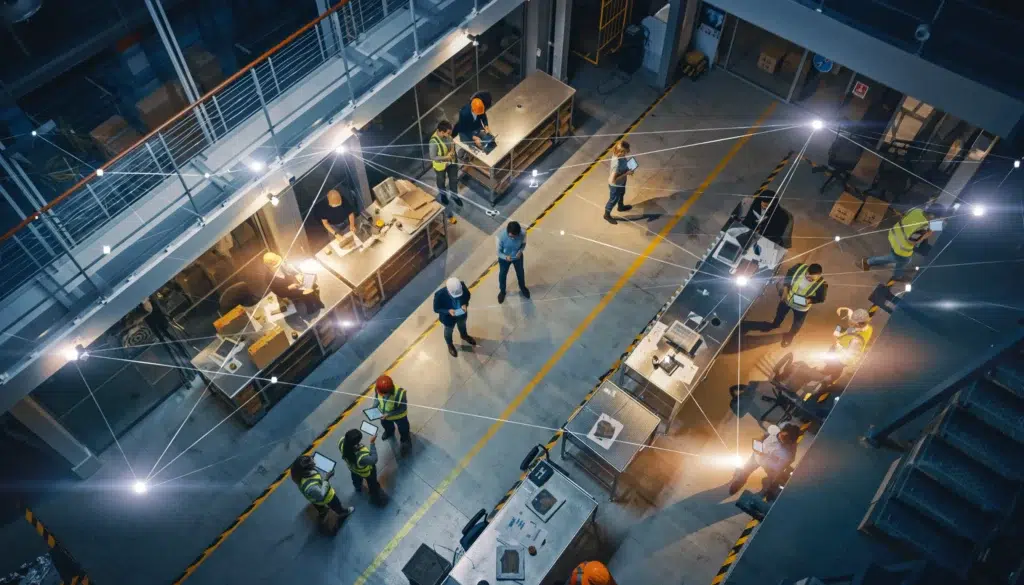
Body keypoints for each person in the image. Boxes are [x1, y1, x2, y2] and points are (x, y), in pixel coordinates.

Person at [743, 263, 827, 348]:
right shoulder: (799, 268)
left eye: (812, 279)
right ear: (807, 270)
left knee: (797, 324)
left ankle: (790, 336)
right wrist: (785, 290)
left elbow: (821, 298)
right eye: (808, 277)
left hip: (801, 307)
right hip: (787, 299)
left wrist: (810, 300)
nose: (809, 280)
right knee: (779, 314)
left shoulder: (822, 285)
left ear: (818, 276)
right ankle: (775, 325)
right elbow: (789, 276)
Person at [859, 204, 945, 279]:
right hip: (902, 245)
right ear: (932, 216)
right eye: (937, 217)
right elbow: (912, 242)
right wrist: (928, 234)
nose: (937, 219)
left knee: (898, 258)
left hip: (894, 233)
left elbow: (903, 217)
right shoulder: (924, 226)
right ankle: (868, 262)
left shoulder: (916, 210)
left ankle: (898, 275)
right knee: (900, 259)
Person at [729, 422, 801, 495]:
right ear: (781, 431)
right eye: (783, 436)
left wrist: (774, 464)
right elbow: (762, 437)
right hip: (758, 456)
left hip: (771, 465)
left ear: (791, 441)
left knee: (773, 480)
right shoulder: (775, 430)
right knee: (746, 470)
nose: (784, 440)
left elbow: (787, 462)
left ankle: (770, 491)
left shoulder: (789, 451)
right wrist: (758, 448)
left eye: (787, 440)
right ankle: (739, 482)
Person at [289, 455, 354, 528]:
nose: (314, 459)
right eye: (311, 460)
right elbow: (321, 495)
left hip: (314, 499)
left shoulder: (300, 477)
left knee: (319, 506)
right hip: (327, 497)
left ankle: (322, 512)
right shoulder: (311, 487)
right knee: (336, 505)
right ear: (307, 468)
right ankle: (342, 513)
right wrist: (326, 479)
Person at [821, 307, 873, 381]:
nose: (850, 323)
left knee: (836, 367)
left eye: (853, 323)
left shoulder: (856, 341)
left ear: (858, 324)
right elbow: (850, 320)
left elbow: (846, 356)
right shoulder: (867, 327)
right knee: (830, 362)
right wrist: (845, 309)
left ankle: (832, 379)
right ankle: (827, 370)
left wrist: (836, 344)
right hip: (842, 346)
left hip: (843, 357)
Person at [340, 429, 387, 506]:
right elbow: (374, 459)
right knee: (372, 484)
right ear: (356, 443)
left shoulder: (342, 442)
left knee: (355, 477)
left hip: (353, 469)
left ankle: (358, 487)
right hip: (366, 472)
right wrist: (372, 443)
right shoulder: (361, 456)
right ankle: (375, 498)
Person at [429, 120, 463, 224]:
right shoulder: (433, 142)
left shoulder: (447, 135)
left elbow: (451, 141)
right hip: (441, 165)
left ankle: (454, 195)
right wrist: (446, 157)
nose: (449, 134)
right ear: (441, 132)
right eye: (448, 133)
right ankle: (443, 195)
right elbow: (433, 157)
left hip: (451, 162)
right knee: (441, 181)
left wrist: (452, 149)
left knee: (454, 179)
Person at [434, 277, 476, 357]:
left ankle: (464, 336)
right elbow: (436, 309)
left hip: (461, 314)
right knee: (448, 332)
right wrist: (448, 311)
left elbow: (468, 295)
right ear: (448, 291)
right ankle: (449, 344)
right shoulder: (439, 294)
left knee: (462, 325)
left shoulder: (462, 286)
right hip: (448, 318)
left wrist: (465, 304)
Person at [374, 374, 411, 453]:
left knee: (404, 429)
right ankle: (389, 432)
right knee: (386, 426)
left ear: (389, 391)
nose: (380, 394)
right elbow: (376, 398)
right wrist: (373, 407)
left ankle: (405, 441)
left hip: (399, 417)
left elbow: (402, 409)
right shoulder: (378, 389)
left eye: (382, 394)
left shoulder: (400, 393)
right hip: (384, 416)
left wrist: (388, 414)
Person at [496, 221, 530, 304]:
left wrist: (520, 251)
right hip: (504, 259)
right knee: (502, 275)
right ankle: (502, 291)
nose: (514, 238)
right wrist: (505, 257)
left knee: (520, 273)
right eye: (512, 236)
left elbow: (523, 244)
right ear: (508, 232)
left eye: (516, 236)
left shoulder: (523, 233)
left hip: (517, 257)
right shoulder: (500, 236)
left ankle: (522, 287)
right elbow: (498, 252)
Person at [604, 141, 634, 224]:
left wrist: (628, 168)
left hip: (622, 182)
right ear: (621, 152)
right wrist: (626, 173)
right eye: (625, 152)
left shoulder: (619, 155)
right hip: (616, 186)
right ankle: (606, 215)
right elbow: (613, 180)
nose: (626, 153)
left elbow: (623, 165)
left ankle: (620, 207)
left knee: (621, 194)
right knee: (613, 200)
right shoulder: (616, 164)